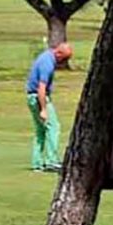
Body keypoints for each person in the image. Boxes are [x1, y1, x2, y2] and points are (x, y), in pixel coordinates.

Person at [25, 42, 73, 172]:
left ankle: (37, 163)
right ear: (59, 53)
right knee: (53, 127)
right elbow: (41, 88)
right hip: (39, 97)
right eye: (64, 59)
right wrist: (44, 109)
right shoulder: (48, 63)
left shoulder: (45, 56)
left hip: (31, 97)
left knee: (40, 131)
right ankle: (51, 161)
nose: (63, 62)